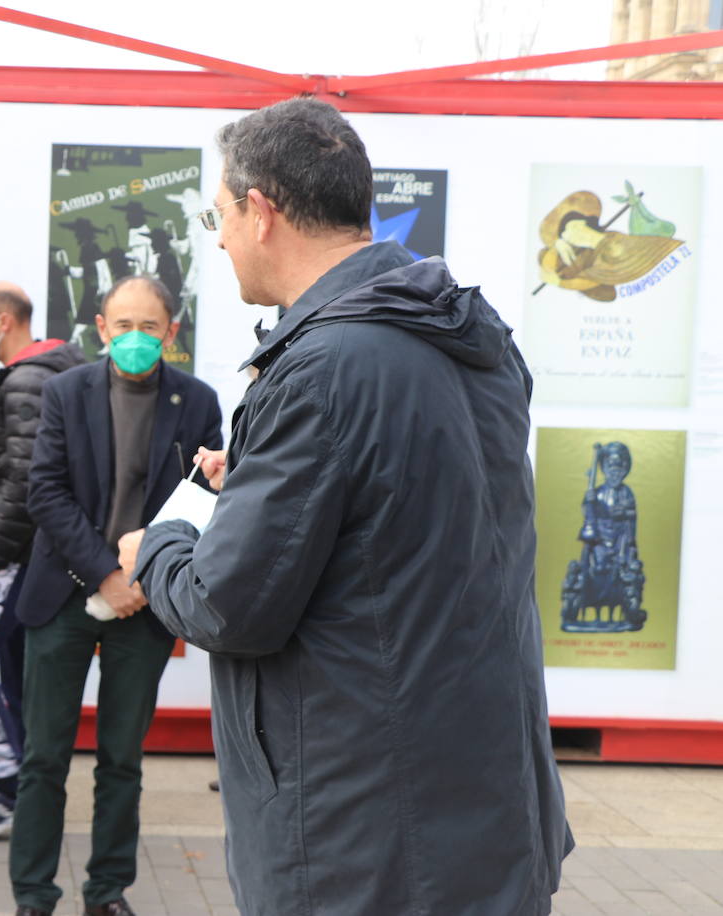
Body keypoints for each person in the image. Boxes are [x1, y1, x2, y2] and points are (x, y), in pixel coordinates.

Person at [118, 98, 573, 916]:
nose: (216, 238)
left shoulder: (324, 366)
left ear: (260, 211)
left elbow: (227, 606)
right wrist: (260, 481)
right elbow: (396, 522)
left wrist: (164, 538)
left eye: (217, 214)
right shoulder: (468, 338)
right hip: (483, 816)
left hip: (363, 845)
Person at [9, 275, 222, 916]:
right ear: (100, 329)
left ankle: (107, 892)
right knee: (43, 758)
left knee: (122, 761)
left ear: (172, 333)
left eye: (149, 327)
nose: (135, 338)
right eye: (122, 325)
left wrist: (140, 579)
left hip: (145, 608)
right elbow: (44, 491)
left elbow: (204, 501)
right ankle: (33, 896)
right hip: (63, 597)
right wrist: (106, 572)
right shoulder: (65, 392)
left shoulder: (199, 402)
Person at [0, 281, 84, 840]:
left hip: (14, 555)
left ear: (3, 323)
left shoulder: (28, 377)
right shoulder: (57, 369)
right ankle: (30, 797)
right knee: (15, 678)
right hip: (37, 558)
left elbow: (24, 478)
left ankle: (10, 789)